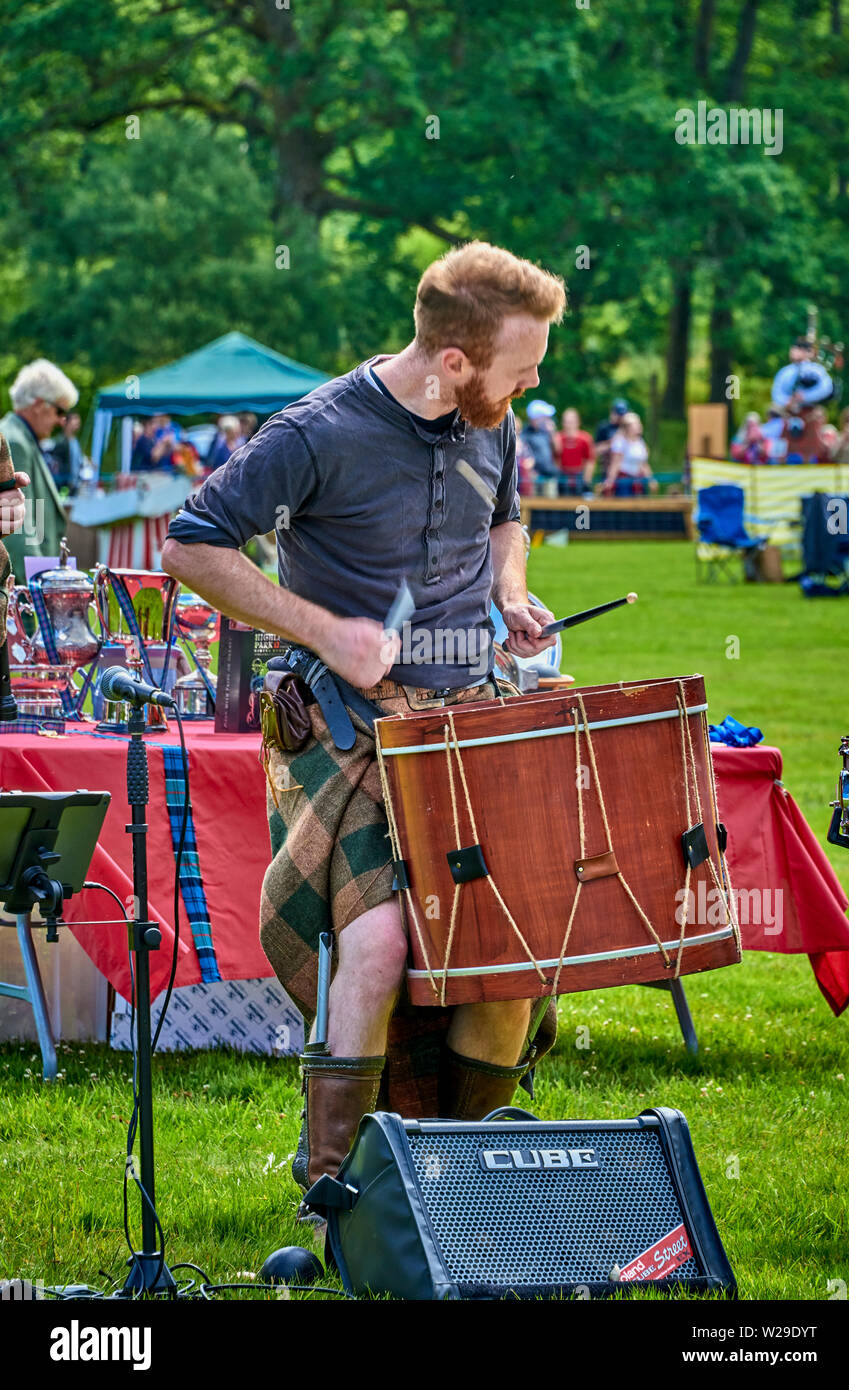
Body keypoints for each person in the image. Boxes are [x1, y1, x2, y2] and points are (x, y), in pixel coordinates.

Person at [161, 241, 565, 1205]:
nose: (534, 381)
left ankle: (468, 1181)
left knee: (506, 944)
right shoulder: (315, 432)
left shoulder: (489, 417)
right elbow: (190, 545)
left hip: (469, 716)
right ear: (454, 360)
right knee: (380, 939)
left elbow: (505, 518)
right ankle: (337, 1187)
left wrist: (509, 591)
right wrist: (328, 633)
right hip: (345, 724)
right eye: (524, 364)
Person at [0, 358, 77, 581]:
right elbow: (18, 529)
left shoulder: (21, 438)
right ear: (38, 404)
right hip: (23, 593)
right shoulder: (15, 442)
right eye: (60, 411)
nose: (62, 421)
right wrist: (40, 588)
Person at [601, 412, 658, 495]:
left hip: (638, 480)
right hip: (624, 482)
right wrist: (610, 481)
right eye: (636, 424)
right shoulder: (620, 442)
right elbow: (615, 463)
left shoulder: (640, 442)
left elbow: (643, 464)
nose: (639, 426)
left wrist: (651, 479)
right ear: (627, 427)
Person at [555, 408, 595, 494]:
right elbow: (555, 457)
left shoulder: (585, 438)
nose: (569, 425)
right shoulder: (558, 438)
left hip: (579, 475)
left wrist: (587, 479)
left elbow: (590, 460)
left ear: (578, 422)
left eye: (571, 422)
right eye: (566, 421)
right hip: (562, 475)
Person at [521, 400, 559, 483]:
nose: (547, 419)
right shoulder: (525, 435)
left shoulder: (545, 432)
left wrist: (552, 433)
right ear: (535, 418)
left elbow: (557, 450)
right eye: (544, 417)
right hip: (535, 478)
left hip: (550, 475)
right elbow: (524, 457)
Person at [49, 411, 85, 493]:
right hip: (62, 485)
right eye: (75, 419)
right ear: (66, 422)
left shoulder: (75, 442)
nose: (78, 422)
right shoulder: (60, 442)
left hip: (74, 484)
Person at [594, 398, 628, 476]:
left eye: (622, 415)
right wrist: (613, 442)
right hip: (607, 470)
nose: (620, 418)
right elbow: (595, 450)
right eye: (618, 414)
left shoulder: (630, 427)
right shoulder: (604, 427)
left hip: (626, 471)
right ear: (612, 413)